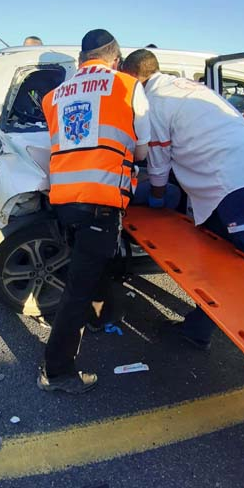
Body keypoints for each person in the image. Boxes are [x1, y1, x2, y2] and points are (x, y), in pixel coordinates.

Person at [120, 49, 244, 384]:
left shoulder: (154, 103)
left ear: (133, 77)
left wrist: (157, 200)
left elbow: (158, 164)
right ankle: (197, 330)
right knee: (222, 262)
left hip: (237, 185)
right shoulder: (186, 87)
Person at [37, 29, 150, 394]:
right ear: (115, 60)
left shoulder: (54, 96)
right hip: (100, 201)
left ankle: (99, 319)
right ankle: (56, 372)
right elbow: (143, 148)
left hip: (65, 200)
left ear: (81, 60)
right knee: (78, 288)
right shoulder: (127, 86)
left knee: (90, 265)